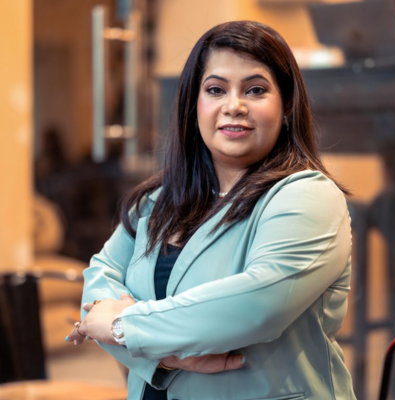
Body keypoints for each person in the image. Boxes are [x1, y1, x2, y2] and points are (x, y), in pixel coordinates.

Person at [66, 20, 356, 400]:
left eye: (255, 90)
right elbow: (98, 282)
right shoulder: (158, 201)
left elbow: (253, 306)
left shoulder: (308, 197)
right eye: (216, 89)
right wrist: (166, 358)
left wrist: (123, 326)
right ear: (194, 106)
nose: (234, 106)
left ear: (286, 105)